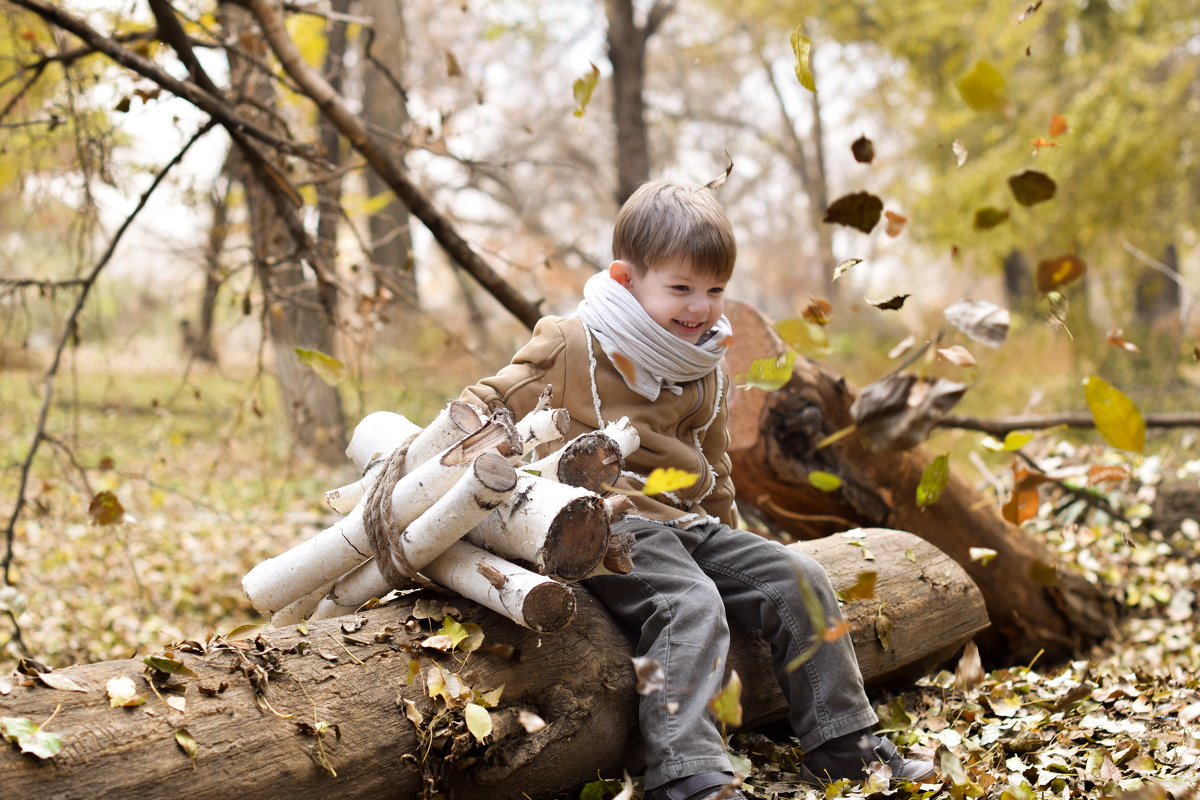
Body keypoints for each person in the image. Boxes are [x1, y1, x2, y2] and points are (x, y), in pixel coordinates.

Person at [460, 180, 934, 800]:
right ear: (626, 279)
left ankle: (843, 743)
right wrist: (456, 452)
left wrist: (735, 547)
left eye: (714, 290)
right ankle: (685, 773)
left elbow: (714, 468)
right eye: (680, 288)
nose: (700, 307)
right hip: (603, 523)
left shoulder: (706, 363)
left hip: (684, 521)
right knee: (691, 604)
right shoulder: (573, 342)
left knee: (801, 578)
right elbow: (492, 400)